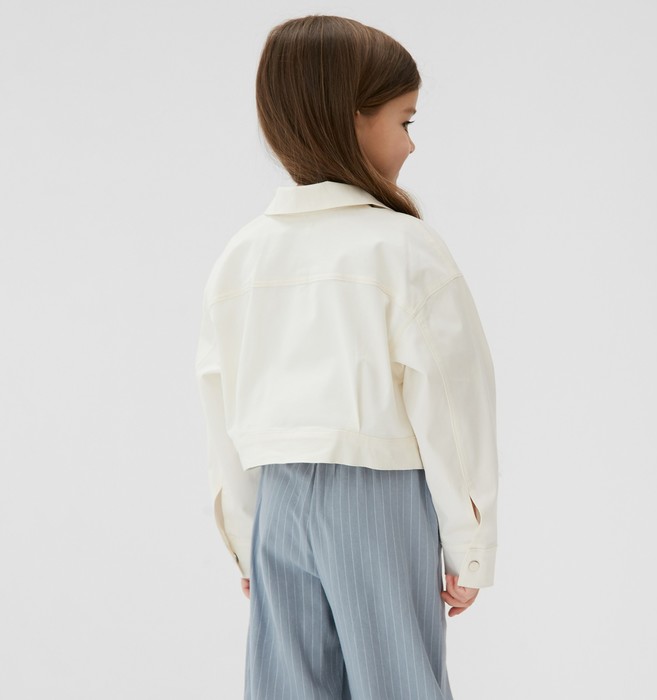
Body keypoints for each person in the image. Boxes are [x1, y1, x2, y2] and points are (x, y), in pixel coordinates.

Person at [195, 14, 499, 700]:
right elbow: (453, 406)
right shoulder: (403, 248)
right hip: (377, 499)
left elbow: (222, 413)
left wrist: (245, 539)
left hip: (278, 504)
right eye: (404, 121)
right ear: (353, 120)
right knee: (400, 684)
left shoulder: (241, 257)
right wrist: (469, 545)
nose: (411, 144)